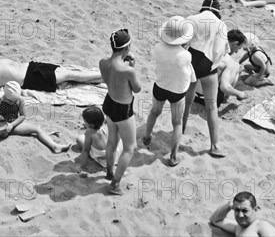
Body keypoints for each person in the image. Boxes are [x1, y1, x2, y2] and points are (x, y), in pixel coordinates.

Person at [143, 16, 196, 167]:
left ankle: (147, 136)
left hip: (160, 86)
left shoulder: (158, 48)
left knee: (154, 111)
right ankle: (173, 156)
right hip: (177, 91)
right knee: (177, 122)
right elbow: (187, 72)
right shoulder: (186, 54)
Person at [183, 0, 229, 158]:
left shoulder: (191, 19)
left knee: (187, 100)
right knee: (211, 106)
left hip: (191, 60)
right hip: (208, 64)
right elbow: (220, 50)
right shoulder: (221, 25)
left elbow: (182, 42)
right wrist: (213, 64)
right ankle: (214, 146)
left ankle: (181, 129)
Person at [0, 81, 72, 153]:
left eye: (14, 101)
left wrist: (12, 125)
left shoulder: (20, 100)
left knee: (37, 129)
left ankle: (54, 146)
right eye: (9, 101)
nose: (12, 102)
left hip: (13, 126)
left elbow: (23, 116)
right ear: (5, 95)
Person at [99, 29, 140, 195]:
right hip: (123, 109)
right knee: (130, 147)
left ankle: (109, 173)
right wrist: (132, 67)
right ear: (126, 48)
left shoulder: (103, 62)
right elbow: (136, 89)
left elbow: (110, 79)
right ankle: (115, 184)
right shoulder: (127, 71)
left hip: (109, 103)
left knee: (112, 141)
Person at [0, 57, 102, 98]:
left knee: (70, 73)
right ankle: (107, 76)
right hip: (33, 78)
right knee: (72, 75)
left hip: (33, 66)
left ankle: (104, 77)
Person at [210, 191, 275, 236]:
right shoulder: (238, 227)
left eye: (245, 210)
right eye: (237, 210)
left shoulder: (261, 226)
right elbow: (215, 220)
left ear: (255, 209)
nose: (240, 215)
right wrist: (229, 205)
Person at [75, 106, 116, 171]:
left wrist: (82, 167)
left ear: (91, 124)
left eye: (85, 122)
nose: (84, 123)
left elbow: (86, 150)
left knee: (79, 138)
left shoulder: (89, 132)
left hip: (104, 160)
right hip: (115, 156)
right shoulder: (105, 125)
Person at [215, 29, 249, 101]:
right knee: (236, 67)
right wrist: (240, 93)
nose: (236, 52)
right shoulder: (228, 61)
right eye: (238, 48)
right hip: (209, 97)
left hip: (190, 90)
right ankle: (226, 97)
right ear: (235, 44)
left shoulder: (210, 46)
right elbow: (225, 87)